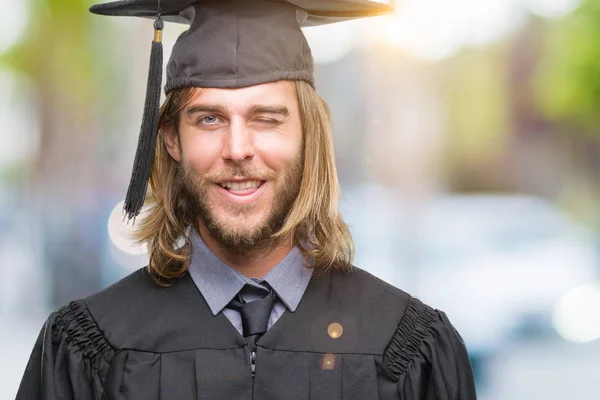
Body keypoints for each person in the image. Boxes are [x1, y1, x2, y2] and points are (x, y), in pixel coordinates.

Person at [16, 0, 477, 399]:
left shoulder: (409, 349)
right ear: (172, 139)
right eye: (210, 119)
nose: (238, 148)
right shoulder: (89, 351)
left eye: (267, 118)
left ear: (308, 136)